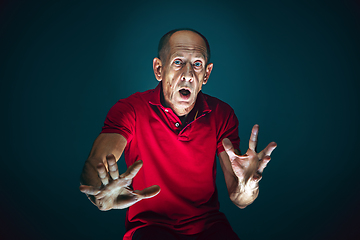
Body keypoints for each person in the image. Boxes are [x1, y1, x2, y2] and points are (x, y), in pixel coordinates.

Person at [79, 28, 277, 240]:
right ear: (158, 69)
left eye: (197, 64)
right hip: (150, 228)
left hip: (208, 228)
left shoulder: (222, 114)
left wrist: (248, 187)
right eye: (178, 62)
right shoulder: (131, 110)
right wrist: (100, 193)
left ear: (206, 74)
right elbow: (95, 163)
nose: (188, 75)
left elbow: (239, 198)